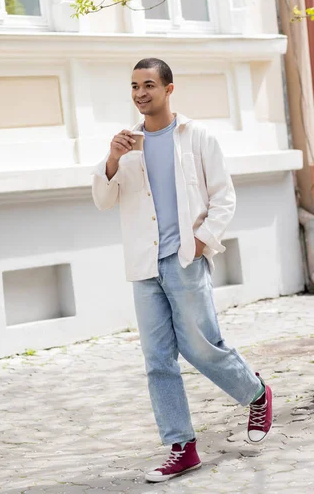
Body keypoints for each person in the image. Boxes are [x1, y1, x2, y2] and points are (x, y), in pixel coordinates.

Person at [92, 58, 273, 483]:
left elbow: (223, 196)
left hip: (185, 259)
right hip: (143, 265)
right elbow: (103, 199)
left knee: (200, 346)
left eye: (149, 85)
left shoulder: (196, 136)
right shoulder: (126, 142)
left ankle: (256, 392)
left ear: (169, 89)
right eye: (135, 86)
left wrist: (199, 241)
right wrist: (113, 159)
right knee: (157, 360)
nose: (140, 93)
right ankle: (181, 447)